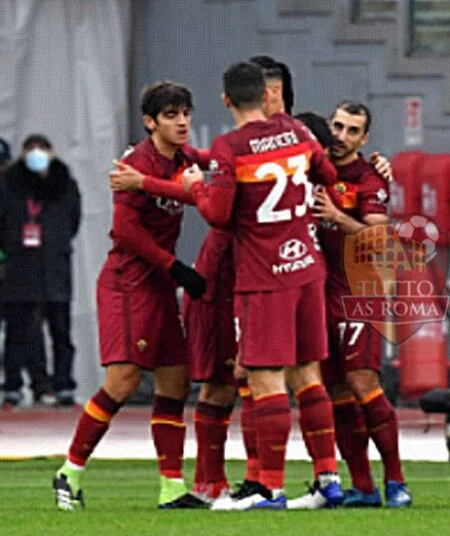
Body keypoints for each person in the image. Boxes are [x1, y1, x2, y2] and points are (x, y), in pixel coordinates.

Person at [184, 61, 342, 511]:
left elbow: (219, 214)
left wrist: (198, 186)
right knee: (309, 374)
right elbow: (328, 176)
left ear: (227, 100)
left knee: (266, 377)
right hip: (308, 267)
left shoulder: (230, 146)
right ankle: (327, 478)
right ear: (266, 95)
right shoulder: (295, 131)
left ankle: (268, 488)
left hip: (264, 274)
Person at [53, 82, 208, 511]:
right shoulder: (135, 165)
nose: (182, 122)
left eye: (186, 113)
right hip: (129, 283)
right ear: (150, 121)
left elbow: (215, 166)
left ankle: (172, 488)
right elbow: (124, 232)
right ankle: (69, 471)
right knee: (121, 382)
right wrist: (175, 267)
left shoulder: (183, 158)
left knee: (175, 381)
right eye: (172, 114)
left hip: (158, 283)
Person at [301, 102, 411, 508]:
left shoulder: (369, 178)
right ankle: (363, 487)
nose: (342, 136)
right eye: (338, 126)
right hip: (315, 294)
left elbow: (378, 239)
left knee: (364, 385)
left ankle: (396, 481)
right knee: (335, 392)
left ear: (365, 139)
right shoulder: (313, 169)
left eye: (352, 130)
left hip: (356, 294)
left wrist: (335, 215)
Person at [0, 135, 80, 409]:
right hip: (20, 269)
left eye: (42, 149)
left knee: (61, 333)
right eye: (31, 149)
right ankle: (13, 386)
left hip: (55, 268)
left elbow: (73, 222)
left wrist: (55, 244)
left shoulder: (65, 184)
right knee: (18, 333)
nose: (37, 154)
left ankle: (63, 384)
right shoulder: (10, 185)